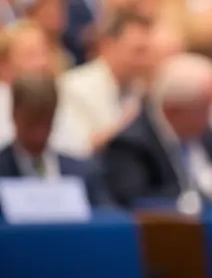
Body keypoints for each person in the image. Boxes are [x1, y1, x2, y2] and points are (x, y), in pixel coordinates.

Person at [102, 53, 212, 208]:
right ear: (173, 109)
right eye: (205, 108)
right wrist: (194, 201)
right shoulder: (132, 144)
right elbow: (136, 203)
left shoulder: (209, 136)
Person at [0, 73, 112, 207]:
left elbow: (109, 215)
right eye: (31, 124)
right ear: (14, 115)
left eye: (46, 124)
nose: (38, 135)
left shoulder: (84, 174)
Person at [58, 11, 153, 156]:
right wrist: (125, 126)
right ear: (108, 46)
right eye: (138, 51)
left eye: (148, 52)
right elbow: (78, 150)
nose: (146, 60)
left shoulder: (143, 90)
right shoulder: (73, 87)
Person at [0, 21, 85, 155]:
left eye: (44, 53)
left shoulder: (57, 98)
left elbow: (78, 150)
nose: (42, 63)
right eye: (31, 55)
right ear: (4, 65)